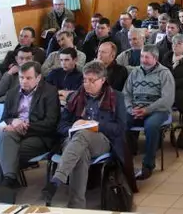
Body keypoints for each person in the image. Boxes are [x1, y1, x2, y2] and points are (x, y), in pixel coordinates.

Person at [42, 61, 127, 208]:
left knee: (83, 135)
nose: (87, 84)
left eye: (92, 81)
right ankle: (76, 206)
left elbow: (120, 128)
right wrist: (73, 125)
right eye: (85, 80)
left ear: (103, 80)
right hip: (73, 141)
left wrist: (96, 126)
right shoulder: (75, 97)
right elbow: (61, 126)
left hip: (102, 140)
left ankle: (57, 179)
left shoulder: (116, 97)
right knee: (81, 152)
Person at [0, 61, 60, 203]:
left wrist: (25, 126)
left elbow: (51, 124)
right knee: (6, 137)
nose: (24, 81)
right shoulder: (12, 92)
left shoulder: (50, 92)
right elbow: (5, 118)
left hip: (39, 136)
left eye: (28, 78)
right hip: (14, 134)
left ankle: (5, 193)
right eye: (21, 78)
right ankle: (10, 179)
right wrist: (13, 122)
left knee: (6, 152)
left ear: (38, 78)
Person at [123, 45, 175, 179]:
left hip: (157, 110)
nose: (143, 60)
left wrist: (147, 110)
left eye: (147, 57)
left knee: (151, 126)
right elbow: (126, 94)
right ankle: (123, 161)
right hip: (136, 108)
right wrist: (130, 109)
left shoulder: (164, 73)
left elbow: (167, 99)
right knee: (121, 122)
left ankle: (148, 165)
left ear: (155, 58)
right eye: (141, 56)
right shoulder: (135, 72)